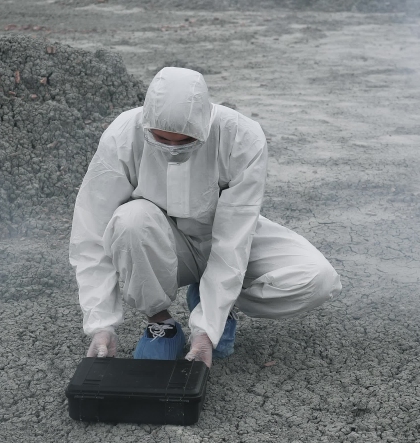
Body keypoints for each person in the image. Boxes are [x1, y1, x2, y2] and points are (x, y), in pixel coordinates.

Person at [69, 67, 342, 368]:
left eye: (184, 141)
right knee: (130, 221)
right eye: (162, 139)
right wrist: (101, 325)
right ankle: (160, 324)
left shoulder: (242, 138)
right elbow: (91, 233)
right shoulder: (123, 135)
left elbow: (232, 240)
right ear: (146, 124)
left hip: (219, 235)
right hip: (165, 243)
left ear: (205, 123)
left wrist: (207, 329)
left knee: (319, 279)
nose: (172, 149)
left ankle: (212, 302)